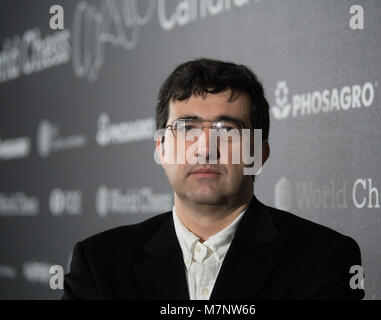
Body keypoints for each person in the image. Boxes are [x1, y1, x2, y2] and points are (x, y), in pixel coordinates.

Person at [63, 58, 365, 300]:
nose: (206, 149)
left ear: (259, 154)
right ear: (161, 148)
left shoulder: (324, 259)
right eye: (186, 128)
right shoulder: (99, 263)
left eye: (228, 130)